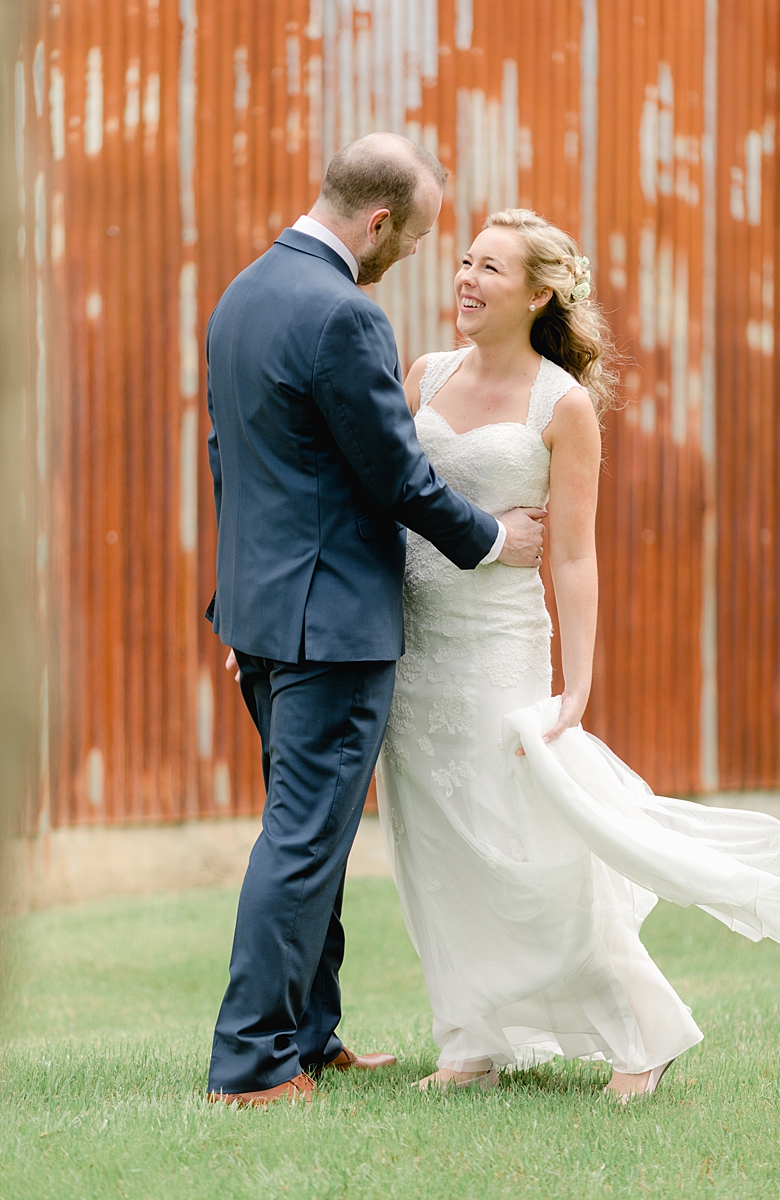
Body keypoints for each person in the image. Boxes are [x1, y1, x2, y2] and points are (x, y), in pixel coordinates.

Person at [377, 208, 780, 1099]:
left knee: (525, 849)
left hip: (499, 652)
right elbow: (390, 503)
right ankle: (469, 1040)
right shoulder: (423, 374)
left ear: (538, 294)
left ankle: (641, 1031)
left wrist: (582, 679)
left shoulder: (561, 405)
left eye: (490, 269)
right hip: (417, 652)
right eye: (464, 261)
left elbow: (573, 551)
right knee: (436, 849)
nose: (466, 279)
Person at [204, 136, 547, 1108]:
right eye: (418, 238)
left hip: (264, 618)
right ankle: (250, 1065)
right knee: (304, 839)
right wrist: (489, 538)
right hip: (333, 627)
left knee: (305, 834)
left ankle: (309, 1036)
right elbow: (395, 474)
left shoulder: (243, 294)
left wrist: (239, 608)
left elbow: (230, 462)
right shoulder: (346, 315)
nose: (414, 257)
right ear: (377, 222)